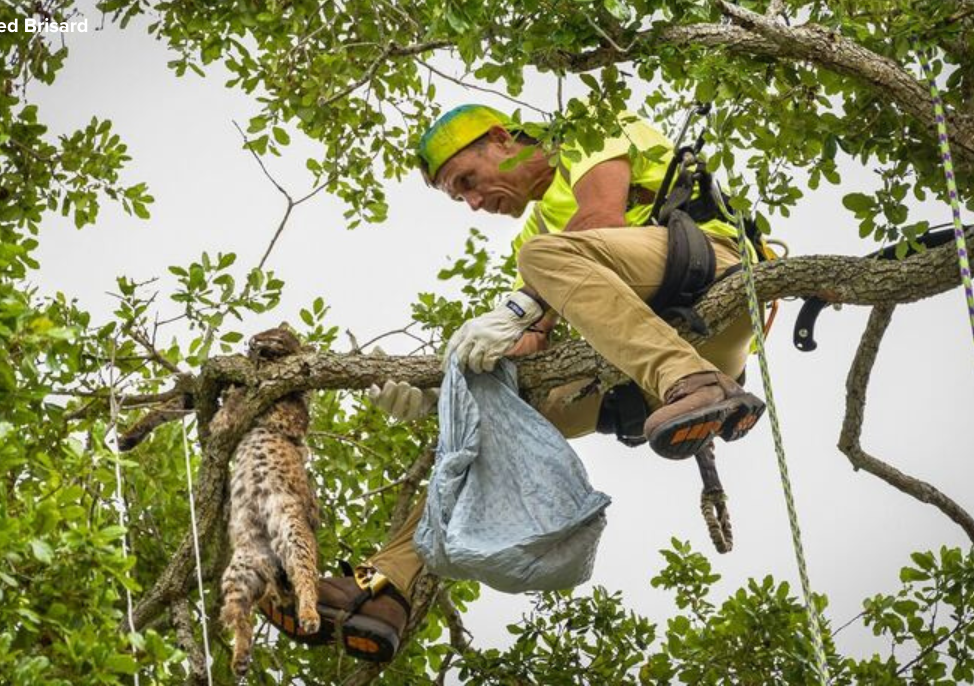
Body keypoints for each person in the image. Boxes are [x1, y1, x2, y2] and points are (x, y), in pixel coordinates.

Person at [264, 104, 765, 662]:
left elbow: (602, 219)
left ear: (500, 139)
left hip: (709, 275)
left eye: (470, 183)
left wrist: (525, 299)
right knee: (478, 421)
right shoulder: (539, 233)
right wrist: (441, 394)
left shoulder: (587, 131)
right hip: (645, 367)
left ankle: (695, 383)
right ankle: (385, 587)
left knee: (542, 258)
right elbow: (528, 345)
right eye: (462, 199)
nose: (476, 204)